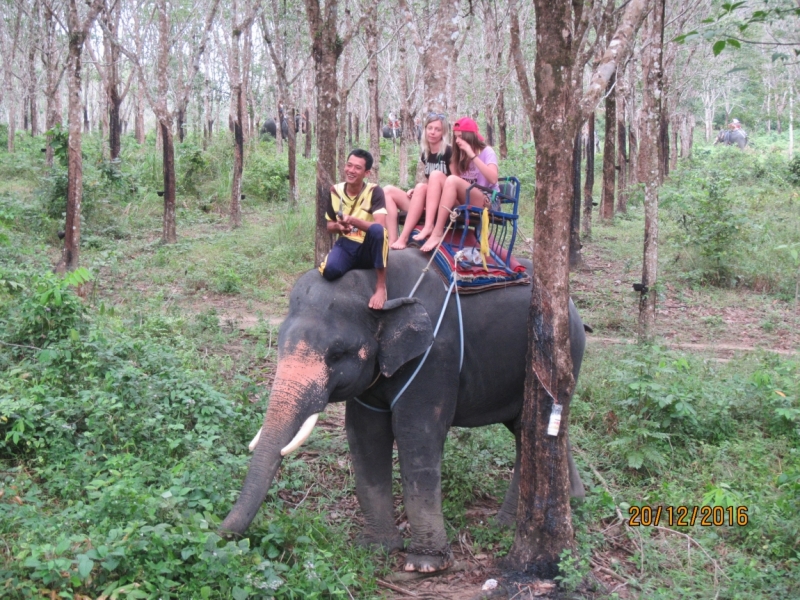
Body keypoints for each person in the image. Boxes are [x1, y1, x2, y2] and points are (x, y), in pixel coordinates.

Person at [320, 149, 389, 309]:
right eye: (349, 165)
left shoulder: (374, 191)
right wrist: (339, 227)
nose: (351, 170)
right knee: (330, 271)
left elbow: (380, 226)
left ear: (367, 173)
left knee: (378, 232)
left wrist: (353, 220)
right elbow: (329, 226)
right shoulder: (335, 191)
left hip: (368, 246)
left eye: (357, 168)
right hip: (347, 243)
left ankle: (380, 286)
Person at [418, 117, 499, 253]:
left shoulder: (487, 151)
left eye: (460, 137)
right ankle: (428, 225)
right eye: (456, 137)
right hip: (464, 197)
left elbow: (493, 178)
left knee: (452, 180)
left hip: (486, 200)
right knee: (436, 174)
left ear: (469, 137)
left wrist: (472, 155)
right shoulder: (459, 154)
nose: (457, 141)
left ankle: (438, 232)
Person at [385, 113, 453, 249]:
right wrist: (416, 190)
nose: (432, 132)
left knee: (422, 186)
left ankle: (405, 237)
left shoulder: (449, 151)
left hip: (445, 205)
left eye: (437, 129)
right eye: (430, 128)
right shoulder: (426, 153)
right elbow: (431, 183)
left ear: (443, 132)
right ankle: (393, 239)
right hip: (429, 203)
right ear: (425, 129)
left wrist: (422, 188)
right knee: (388, 191)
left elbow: (455, 181)